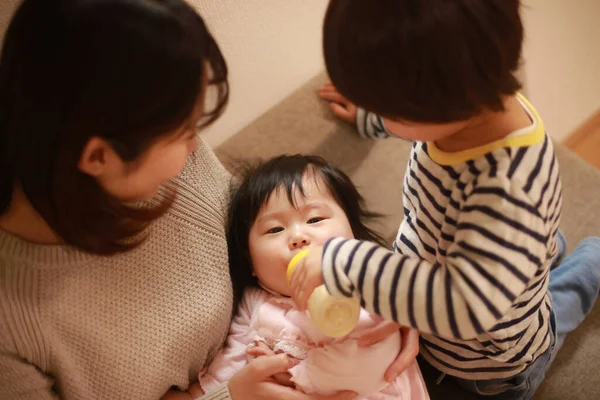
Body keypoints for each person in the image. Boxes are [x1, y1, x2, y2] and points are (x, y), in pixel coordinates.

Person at [0, 1, 378, 399]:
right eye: (182, 132)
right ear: (98, 157)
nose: (196, 144)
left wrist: (389, 299)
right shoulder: (13, 331)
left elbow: (275, 224)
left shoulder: (180, 169)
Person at [289, 1, 600, 399]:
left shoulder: (506, 192)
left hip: (490, 364)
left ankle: (587, 263)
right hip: (455, 268)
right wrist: (371, 116)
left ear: (448, 98)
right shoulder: (464, 110)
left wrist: (342, 262)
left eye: (386, 109)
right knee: (516, 256)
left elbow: (464, 309)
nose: (381, 116)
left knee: (560, 302)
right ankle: (537, 249)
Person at [199, 155, 429, 399]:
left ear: (353, 236)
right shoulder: (252, 302)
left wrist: (297, 377)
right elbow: (232, 360)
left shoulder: (368, 283)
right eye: (275, 229)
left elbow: (371, 362)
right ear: (250, 261)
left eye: (315, 219)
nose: (299, 237)